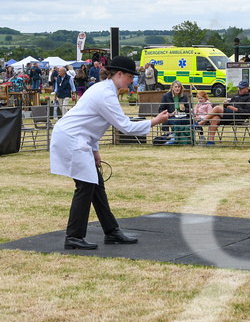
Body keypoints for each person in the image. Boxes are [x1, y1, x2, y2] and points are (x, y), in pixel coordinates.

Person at [50, 56, 169, 250]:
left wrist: (95, 150)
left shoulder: (105, 89)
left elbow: (92, 122)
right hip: (72, 138)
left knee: (96, 185)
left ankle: (111, 231)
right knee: (86, 186)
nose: (132, 81)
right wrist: (155, 121)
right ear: (119, 74)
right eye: (131, 77)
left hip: (78, 138)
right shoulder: (105, 93)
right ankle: (73, 236)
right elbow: (125, 126)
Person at [197, 80, 250, 146]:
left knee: (217, 108)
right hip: (230, 115)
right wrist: (226, 104)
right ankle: (211, 141)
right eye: (239, 88)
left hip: (239, 117)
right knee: (215, 118)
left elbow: (247, 112)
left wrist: (235, 109)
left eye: (241, 88)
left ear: (247, 89)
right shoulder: (236, 96)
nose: (239, 90)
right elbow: (229, 106)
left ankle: (200, 123)